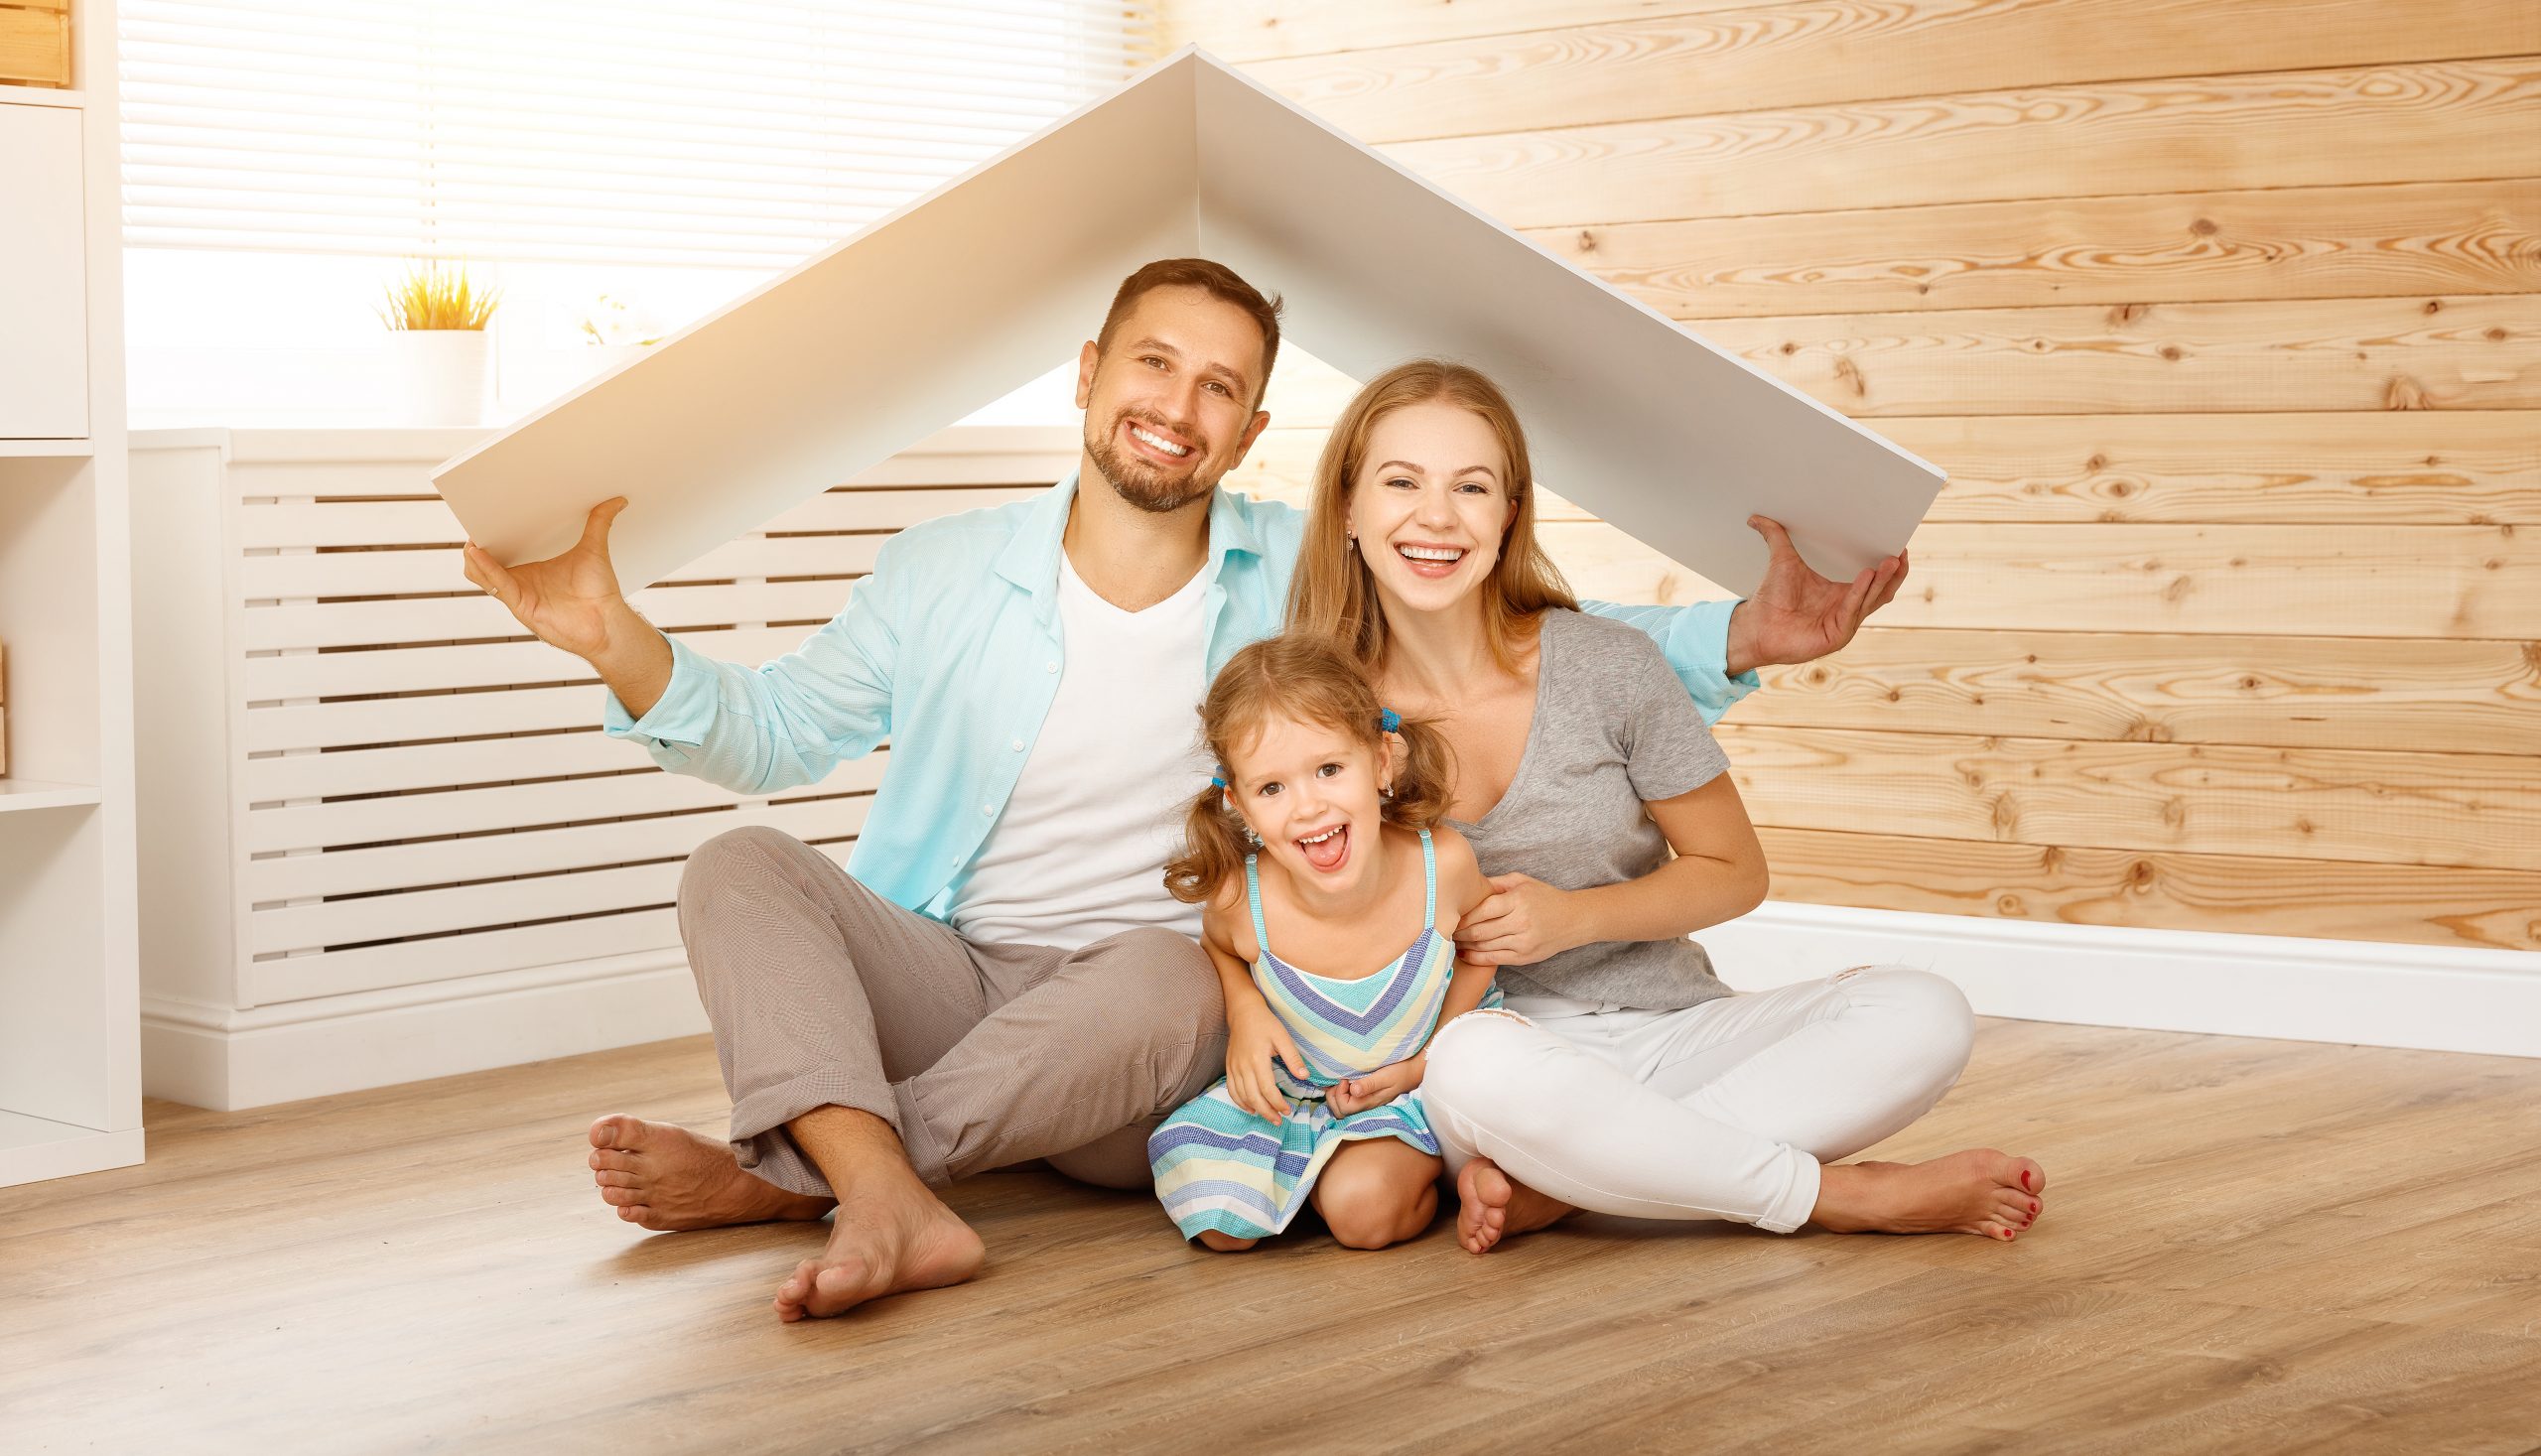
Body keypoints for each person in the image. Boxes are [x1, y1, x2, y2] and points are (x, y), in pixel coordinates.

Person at [460, 259, 1907, 1321]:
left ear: (1252, 430)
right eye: (1154, 365)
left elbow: (1502, 633)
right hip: (957, 967)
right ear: (1090, 373)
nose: (1178, 405)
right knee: (738, 866)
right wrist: (616, 639)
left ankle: (801, 1171)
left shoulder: (1299, 570)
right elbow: (770, 732)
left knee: (1161, 969)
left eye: (1220, 386)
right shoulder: (942, 570)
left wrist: (1735, 640)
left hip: (1159, 1010)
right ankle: (883, 1182)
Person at [1285, 358, 2045, 1255]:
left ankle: (1575, 1185)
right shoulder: (1313, 713)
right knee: (1474, 1061)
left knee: (1926, 1011)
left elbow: (1736, 873)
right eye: (1402, 481)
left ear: (1510, 517)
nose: (1437, 516)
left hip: (1674, 1027)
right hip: (1490, 1062)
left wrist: (1572, 918)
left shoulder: (1610, 664)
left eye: (1473, 486)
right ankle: (1834, 1196)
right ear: (1346, 509)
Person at [1148, 635, 1496, 1252]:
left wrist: (1424, 1063)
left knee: (1363, 1215)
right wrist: (1246, 1009)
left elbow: (1481, 951)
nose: (1307, 806)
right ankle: (1317, 1178)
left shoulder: (1441, 864)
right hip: (1304, 1097)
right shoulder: (1242, 901)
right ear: (1241, 808)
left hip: (1416, 1087)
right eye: (1272, 789)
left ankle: (1432, 1174)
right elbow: (1219, 946)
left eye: (1329, 770)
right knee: (1219, 1227)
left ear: (1383, 762)